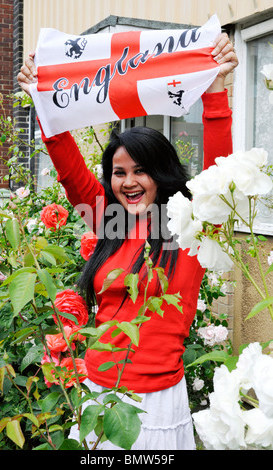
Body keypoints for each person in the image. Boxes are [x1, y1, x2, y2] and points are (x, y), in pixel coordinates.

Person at [18, 32, 238, 450]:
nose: (129, 181)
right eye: (119, 172)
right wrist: (41, 97)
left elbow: (218, 174)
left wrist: (215, 91)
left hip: (155, 401)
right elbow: (68, 167)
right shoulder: (108, 220)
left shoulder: (187, 226)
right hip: (97, 390)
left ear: (163, 173)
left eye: (141, 170)